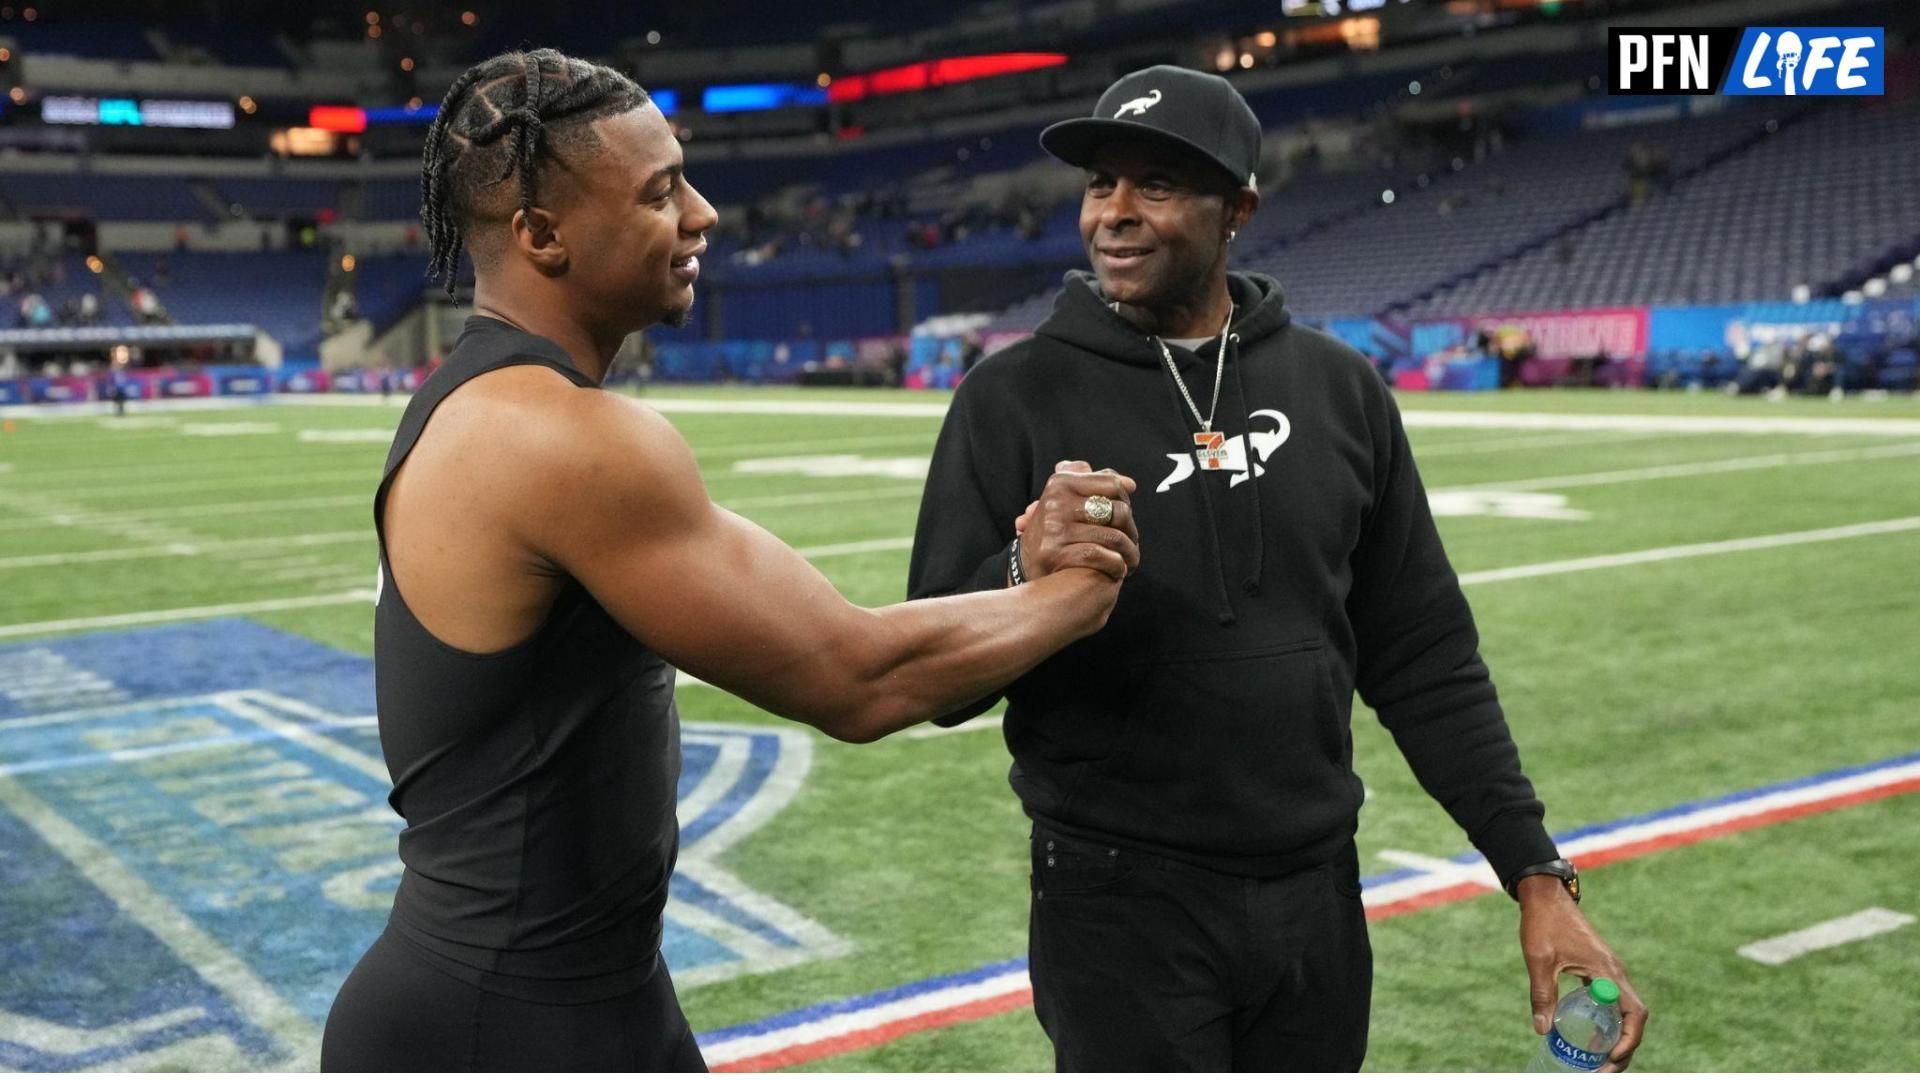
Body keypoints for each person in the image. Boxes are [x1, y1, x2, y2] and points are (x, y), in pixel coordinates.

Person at [320, 49, 1143, 1073]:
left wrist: (1026, 586)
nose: (703, 214)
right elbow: (860, 676)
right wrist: (1078, 592)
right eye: (662, 191)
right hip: (516, 1021)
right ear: (541, 234)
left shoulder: (479, 401)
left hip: (545, 998)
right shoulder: (562, 438)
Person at [907, 65, 1647, 1072]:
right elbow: (930, 669)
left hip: (1313, 898)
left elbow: (1424, 653)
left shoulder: (1342, 392)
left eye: (1156, 185)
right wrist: (1018, 577)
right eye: (1100, 184)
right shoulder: (1012, 398)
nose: (1114, 214)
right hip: (1117, 900)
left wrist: (1534, 872)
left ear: (1237, 209)